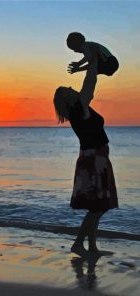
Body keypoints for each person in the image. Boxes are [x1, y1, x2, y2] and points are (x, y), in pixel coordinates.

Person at [53, 86, 119, 257]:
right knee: (98, 207)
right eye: (68, 88)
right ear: (67, 97)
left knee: (96, 206)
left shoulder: (79, 109)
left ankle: (92, 247)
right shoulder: (78, 108)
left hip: (96, 159)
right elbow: (90, 85)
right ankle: (78, 244)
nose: (72, 87)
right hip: (94, 161)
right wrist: (91, 64)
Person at [66, 32, 119, 119]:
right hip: (107, 64)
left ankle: (85, 103)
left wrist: (78, 64)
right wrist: (77, 69)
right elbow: (91, 63)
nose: (75, 51)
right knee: (91, 70)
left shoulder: (86, 46)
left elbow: (88, 57)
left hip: (110, 63)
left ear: (78, 44)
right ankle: (86, 101)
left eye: (74, 49)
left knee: (91, 72)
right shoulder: (90, 49)